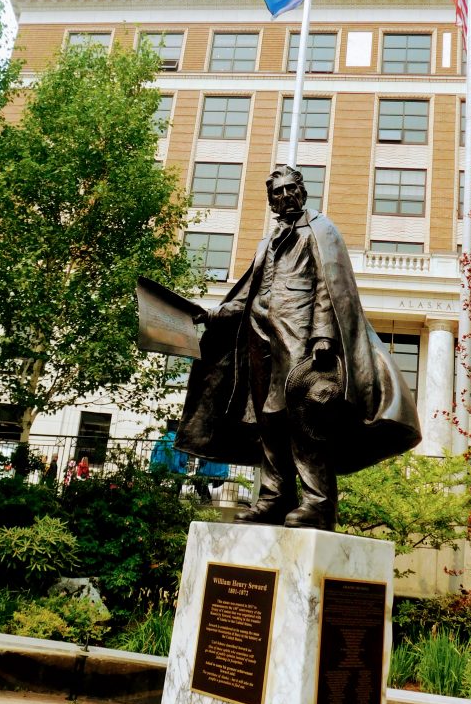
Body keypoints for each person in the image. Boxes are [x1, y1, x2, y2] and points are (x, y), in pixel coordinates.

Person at [176, 164, 421, 532]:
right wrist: (211, 315)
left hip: (301, 342)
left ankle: (319, 503)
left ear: (303, 191)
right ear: (271, 200)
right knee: (267, 422)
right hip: (260, 340)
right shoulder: (268, 241)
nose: (286, 195)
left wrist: (324, 335)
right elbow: (247, 296)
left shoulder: (320, 231)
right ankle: (275, 497)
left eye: (293, 188)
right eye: (278, 192)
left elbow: (330, 286)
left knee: (306, 422)